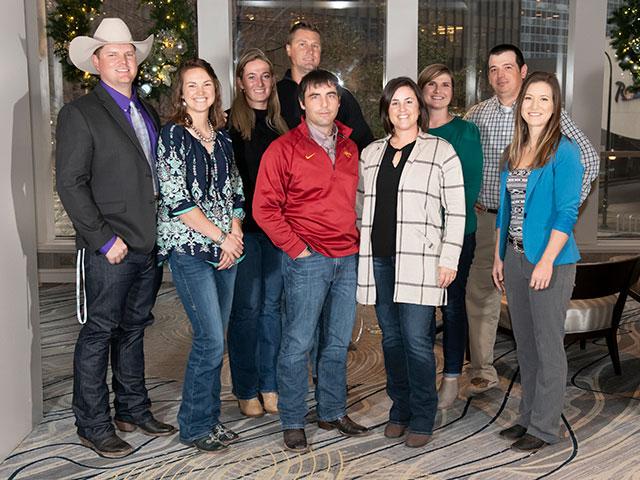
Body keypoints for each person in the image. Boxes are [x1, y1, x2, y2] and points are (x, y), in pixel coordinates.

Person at [56, 18, 175, 458]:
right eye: (113, 54)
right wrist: (104, 240)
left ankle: (132, 409)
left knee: (133, 331)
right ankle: (92, 423)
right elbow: (70, 183)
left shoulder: (145, 110)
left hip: (147, 244)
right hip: (109, 248)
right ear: (95, 62)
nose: (124, 61)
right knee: (98, 333)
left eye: (129, 54)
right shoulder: (80, 113)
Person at [464, 44, 599, 394]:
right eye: (492, 69)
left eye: (507, 67)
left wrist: (557, 207)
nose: (500, 75)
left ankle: (543, 422)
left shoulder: (557, 135)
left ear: (522, 73)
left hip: (545, 244)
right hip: (500, 232)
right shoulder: (484, 121)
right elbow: (495, 186)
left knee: (546, 339)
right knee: (508, 324)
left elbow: (581, 176)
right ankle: (498, 386)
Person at [254, 69, 369, 453]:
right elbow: (264, 208)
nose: (324, 103)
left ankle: (332, 411)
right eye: (315, 96)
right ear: (302, 103)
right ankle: (291, 418)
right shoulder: (283, 148)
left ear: (339, 101)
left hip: (346, 257)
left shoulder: (352, 148)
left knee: (336, 342)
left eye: (330, 95)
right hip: (308, 259)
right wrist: (297, 249)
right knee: (298, 342)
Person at [357, 77, 466, 448]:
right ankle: (399, 409)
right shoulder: (370, 154)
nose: (402, 109)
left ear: (419, 107)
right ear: (386, 110)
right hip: (380, 260)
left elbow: (457, 212)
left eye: (408, 102)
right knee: (390, 339)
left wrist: (448, 258)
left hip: (422, 261)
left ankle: (422, 414)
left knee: (417, 341)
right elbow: (361, 207)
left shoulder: (441, 151)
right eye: (394, 103)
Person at [156, 59, 245, 453]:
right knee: (209, 339)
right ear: (181, 93)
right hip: (190, 249)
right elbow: (177, 200)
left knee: (216, 339)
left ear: (215, 90)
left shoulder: (223, 137)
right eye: (191, 85)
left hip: (226, 251)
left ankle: (210, 421)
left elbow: (236, 193)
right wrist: (222, 238)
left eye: (205, 84)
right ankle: (193, 426)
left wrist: (235, 230)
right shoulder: (173, 135)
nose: (199, 91)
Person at [492, 71, 583, 451]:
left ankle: (545, 427)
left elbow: (566, 212)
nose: (535, 106)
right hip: (514, 257)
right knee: (525, 344)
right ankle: (528, 416)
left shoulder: (565, 151)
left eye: (544, 99)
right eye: (529, 98)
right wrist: (499, 256)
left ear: (556, 106)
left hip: (551, 262)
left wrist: (546, 260)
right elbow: (506, 209)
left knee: (548, 346)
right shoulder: (515, 149)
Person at [227, 48, 288, 418]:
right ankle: (246, 387)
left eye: (265, 75)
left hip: (278, 232)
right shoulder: (229, 126)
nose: (260, 83)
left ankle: (270, 383)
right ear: (240, 82)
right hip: (245, 231)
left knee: (272, 310)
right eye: (251, 76)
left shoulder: (283, 125)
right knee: (246, 310)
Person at [418, 64, 484, 409]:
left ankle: (452, 378)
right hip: (417, 238)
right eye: (431, 84)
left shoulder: (466, 132)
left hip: (457, 236)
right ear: (422, 89)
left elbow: (469, 188)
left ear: (452, 92)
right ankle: (423, 372)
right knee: (421, 310)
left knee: (453, 308)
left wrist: (445, 229)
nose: (438, 90)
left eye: (445, 84)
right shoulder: (410, 128)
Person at [276, 21, 374, 152]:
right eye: (302, 44)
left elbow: (364, 144)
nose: (310, 51)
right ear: (288, 49)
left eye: (315, 46)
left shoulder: (341, 97)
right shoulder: (275, 95)